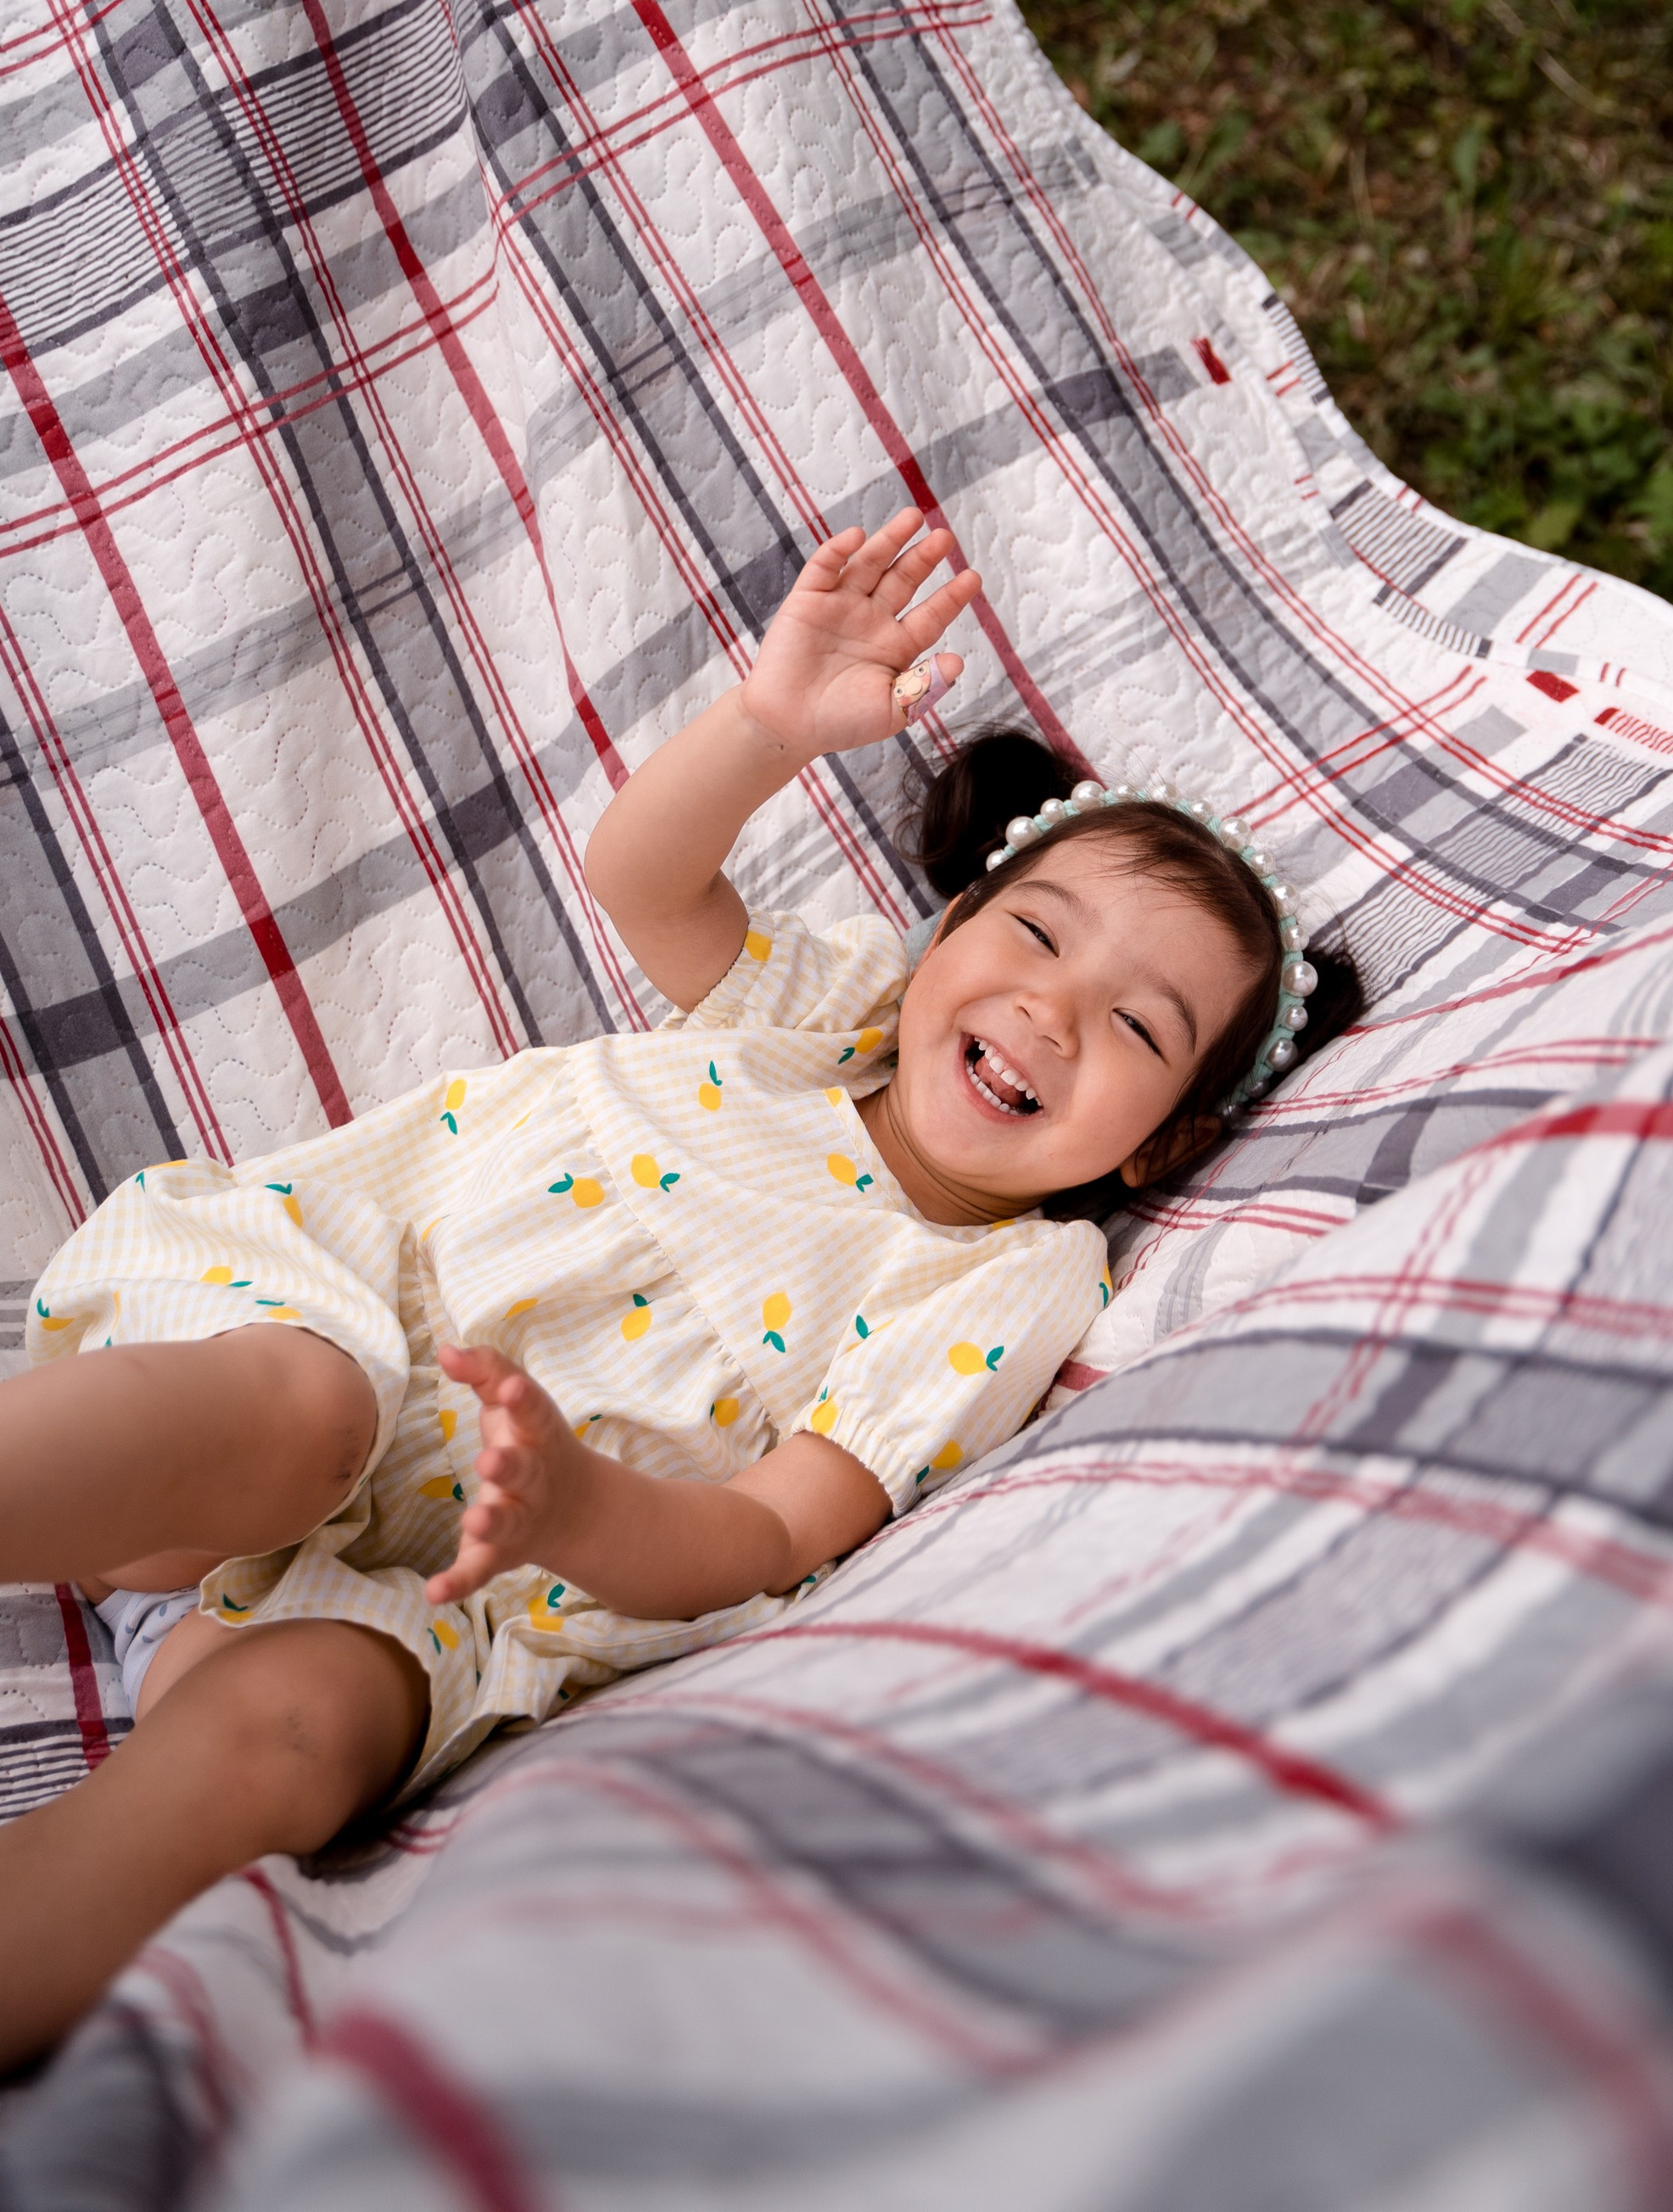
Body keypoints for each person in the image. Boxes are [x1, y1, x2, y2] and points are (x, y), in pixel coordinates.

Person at [0, 509, 1360, 2067]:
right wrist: (769, 725)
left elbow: (778, 1529)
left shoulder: (1007, 1284)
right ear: (945, 938)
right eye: (1036, 935)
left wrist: (577, 1511)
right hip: (311, 1352)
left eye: (1136, 1027)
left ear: (1162, 1146)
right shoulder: (821, 1012)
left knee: (295, 1740)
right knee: (299, 1415)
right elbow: (641, 875)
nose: (1052, 1009)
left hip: (449, 1591)